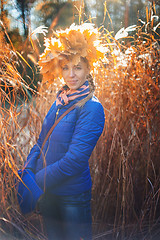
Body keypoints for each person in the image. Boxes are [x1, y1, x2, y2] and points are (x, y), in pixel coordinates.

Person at [23, 23, 105, 240]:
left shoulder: (92, 107)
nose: (71, 75)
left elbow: (75, 160)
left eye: (77, 67)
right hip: (48, 194)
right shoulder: (60, 100)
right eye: (66, 67)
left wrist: (36, 180)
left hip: (72, 197)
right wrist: (27, 171)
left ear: (88, 69)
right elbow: (42, 140)